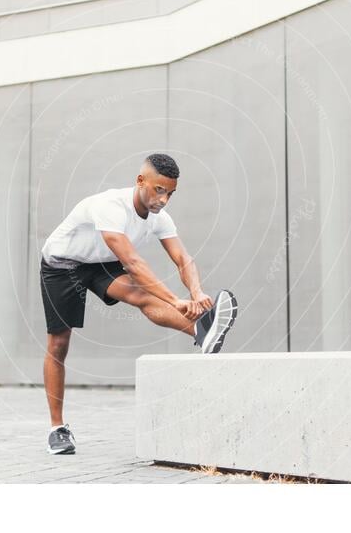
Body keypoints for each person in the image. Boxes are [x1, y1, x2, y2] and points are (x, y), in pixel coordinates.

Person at [39, 153, 238, 454]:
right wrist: (174, 299)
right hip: (63, 264)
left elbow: (182, 258)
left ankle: (202, 330)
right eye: (159, 190)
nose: (164, 199)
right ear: (141, 181)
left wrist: (196, 293)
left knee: (142, 295)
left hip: (101, 262)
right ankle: (57, 428)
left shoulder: (160, 217)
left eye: (170, 193)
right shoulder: (110, 206)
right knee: (59, 343)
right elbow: (132, 262)